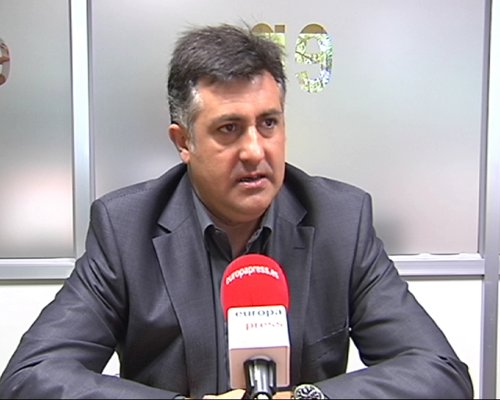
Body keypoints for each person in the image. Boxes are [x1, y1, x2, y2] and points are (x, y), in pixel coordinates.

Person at [0, 24, 473, 399]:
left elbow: (441, 374)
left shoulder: (340, 221)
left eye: (268, 123)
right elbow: (29, 377)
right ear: (183, 141)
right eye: (229, 128)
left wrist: (308, 398)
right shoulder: (126, 230)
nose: (255, 150)